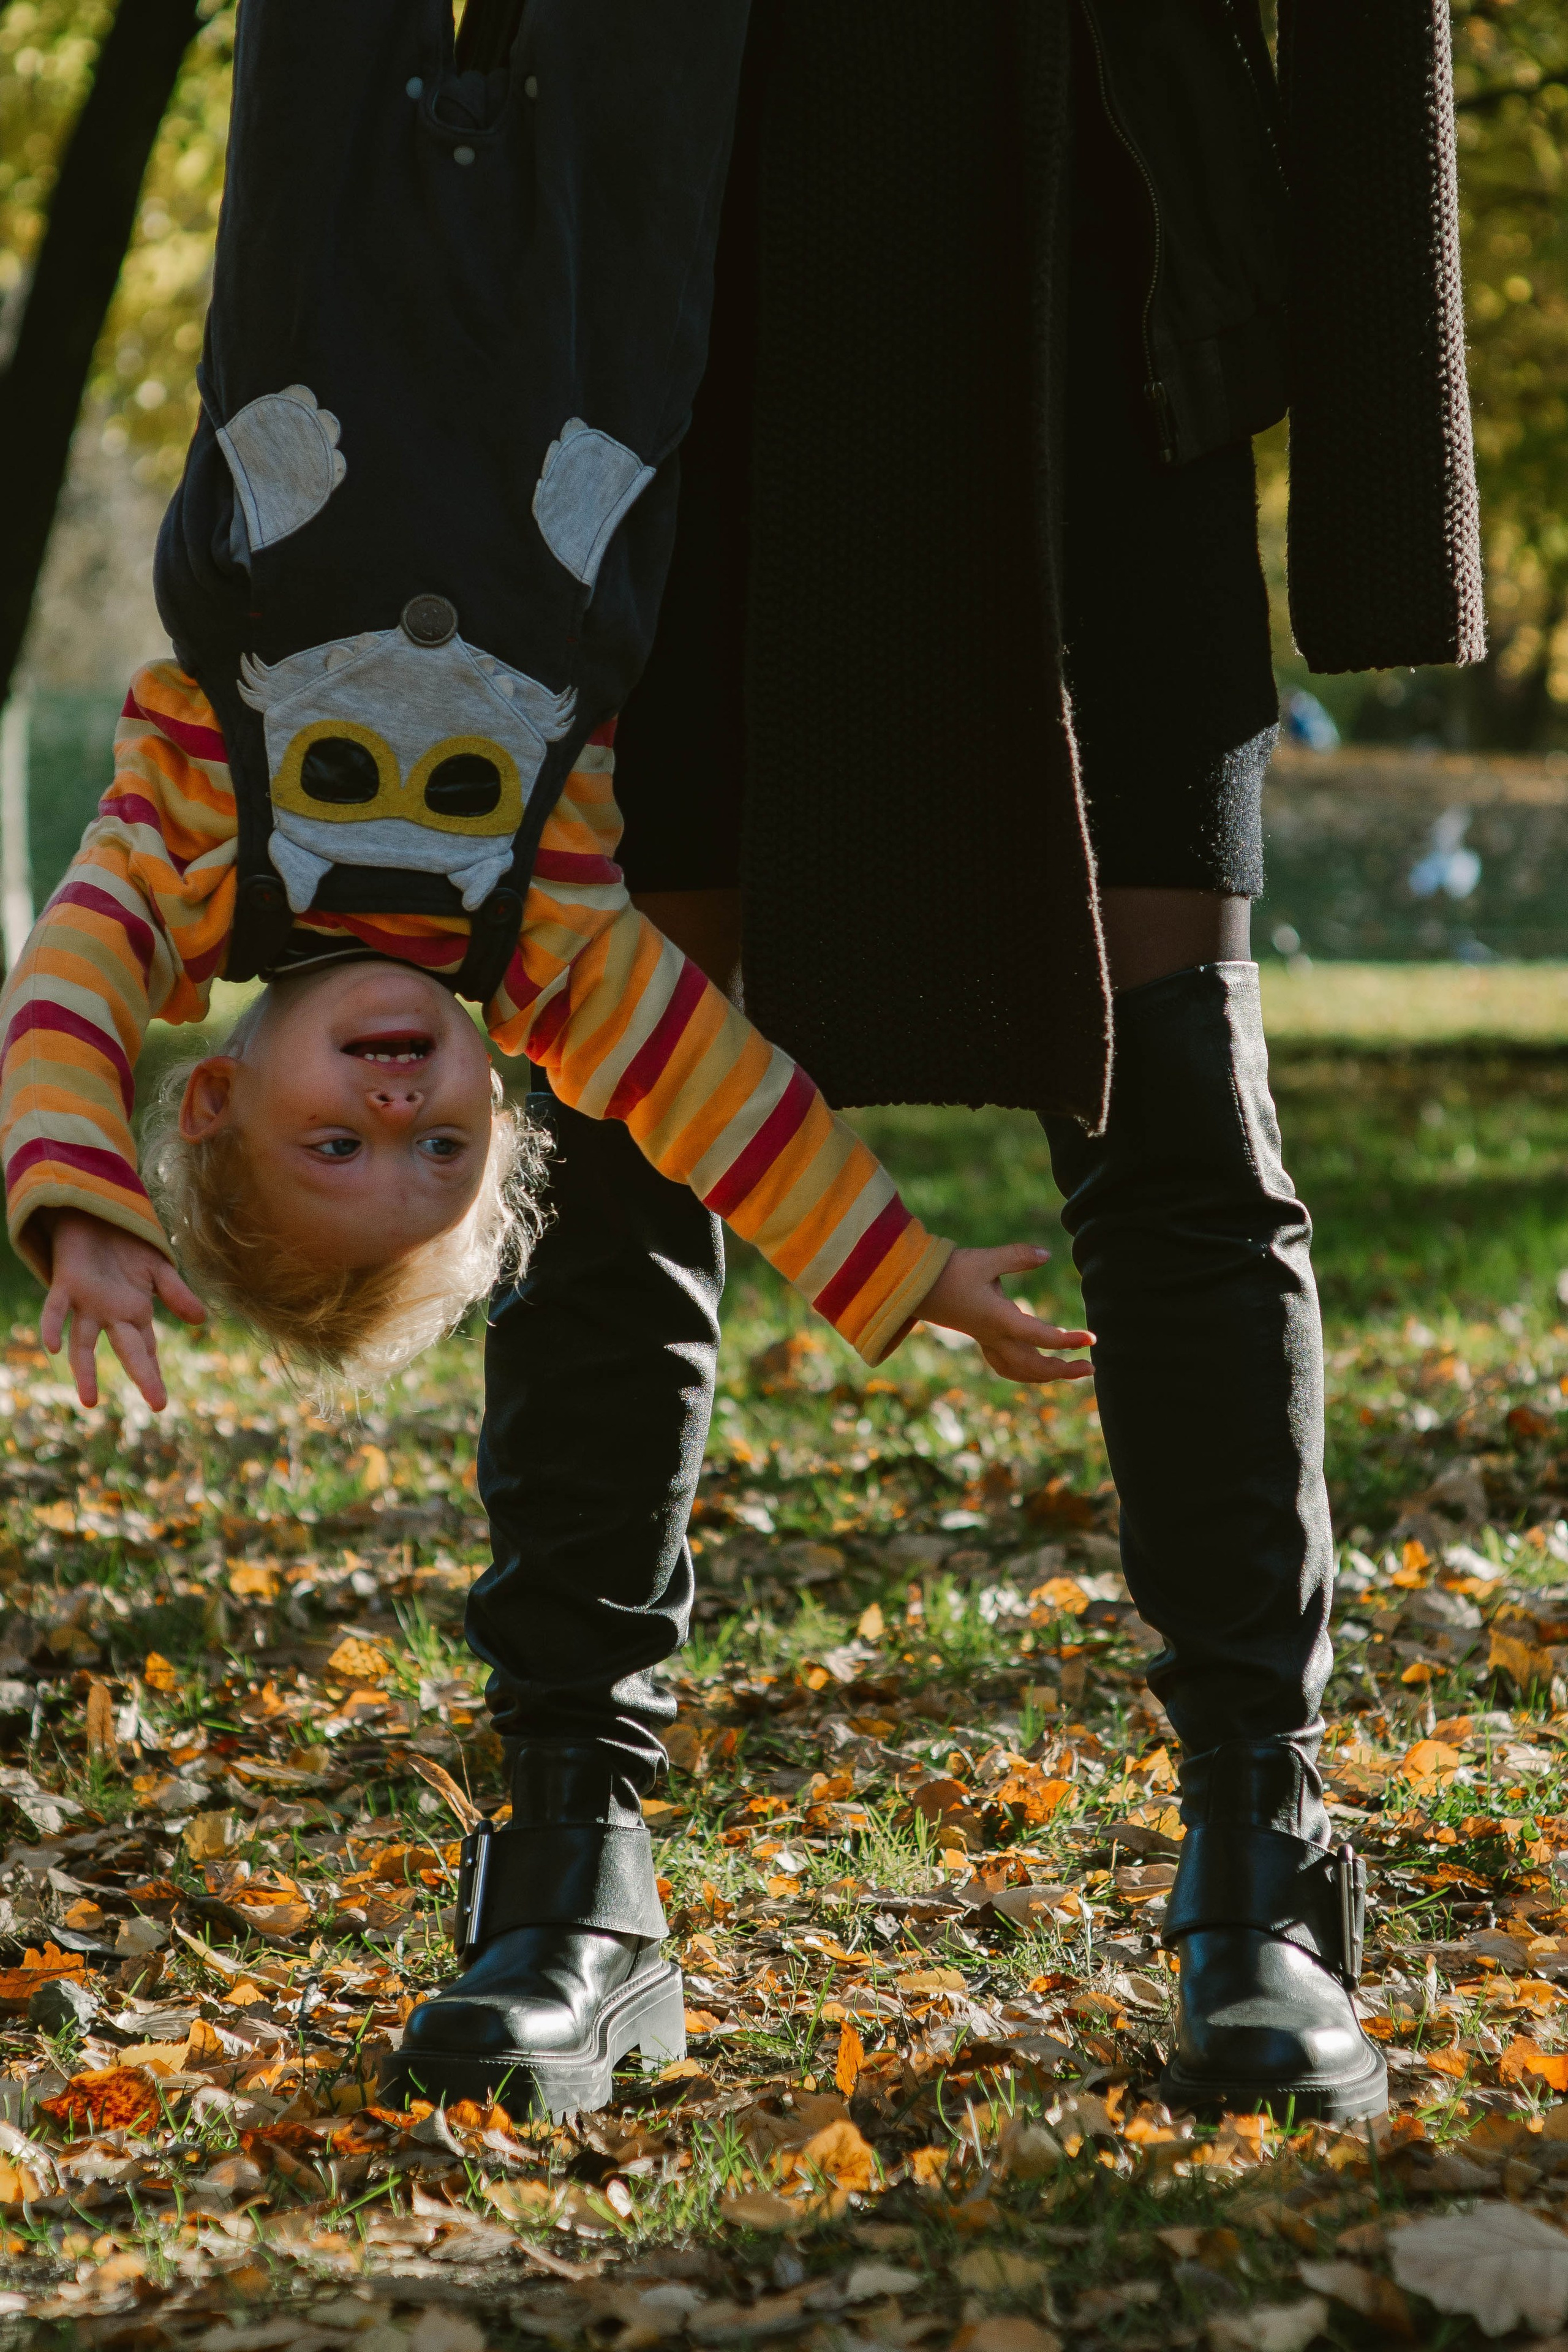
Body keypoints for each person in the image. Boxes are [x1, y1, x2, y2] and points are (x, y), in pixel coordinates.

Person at [0, 0, 1097, 2119]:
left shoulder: (198, 843)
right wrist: (901, 1278)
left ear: (215, 1088)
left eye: (342, 1135)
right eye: (432, 1156)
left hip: (314, 320)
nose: (406, 1109)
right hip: (593, 345)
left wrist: (78, 1207)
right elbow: (734, 1109)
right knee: (642, 71)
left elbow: (58, 983)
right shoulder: (559, 945)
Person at [475, 0, 1485, 2126]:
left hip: (1094, 233)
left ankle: (1262, 1870)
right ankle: (568, 1857)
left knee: (1173, 1064)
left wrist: (1396, 482)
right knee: (619, 1062)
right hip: (674, 232)